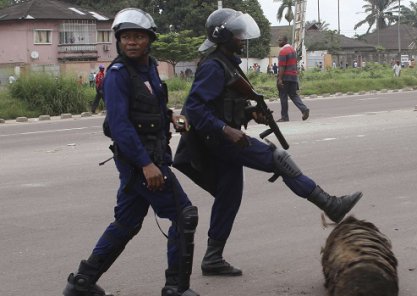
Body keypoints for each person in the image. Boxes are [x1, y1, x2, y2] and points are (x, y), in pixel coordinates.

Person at [175, 7, 362, 278]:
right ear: (223, 35)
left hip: (220, 139)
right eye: (237, 33)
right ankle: (330, 204)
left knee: (229, 196)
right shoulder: (214, 66)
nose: (242, 38)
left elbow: (222, 106)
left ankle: (213, 257)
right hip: (218, 141)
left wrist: (251, 114)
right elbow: (193, 110)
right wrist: (226, 130)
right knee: (279, 160)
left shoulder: (227, 63)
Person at [62, 8, 199, 296]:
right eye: (126, 37)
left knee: (126, 222)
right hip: (141, 162)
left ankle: (82, 283)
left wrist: (171, 115)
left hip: (150, 156)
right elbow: (120, 125)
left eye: (138, 36)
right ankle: (176, 288)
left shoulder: (148, 68)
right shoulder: (117, 74)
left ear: (149, 40)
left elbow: (148, 107)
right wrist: (146, 165)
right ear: (118, 41)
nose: (132, 42)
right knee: (184, 215)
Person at [276, 35, 309, 122]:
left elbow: (282, 67)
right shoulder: (293, 51)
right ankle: (304, 109)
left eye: (280, 40)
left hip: (285, 77)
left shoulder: (283, 51)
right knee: (293, 95)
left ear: (285, 41)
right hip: (294, 77)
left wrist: (279, 79)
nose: (278, 42)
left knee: (283, 96)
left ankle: (285, 117)